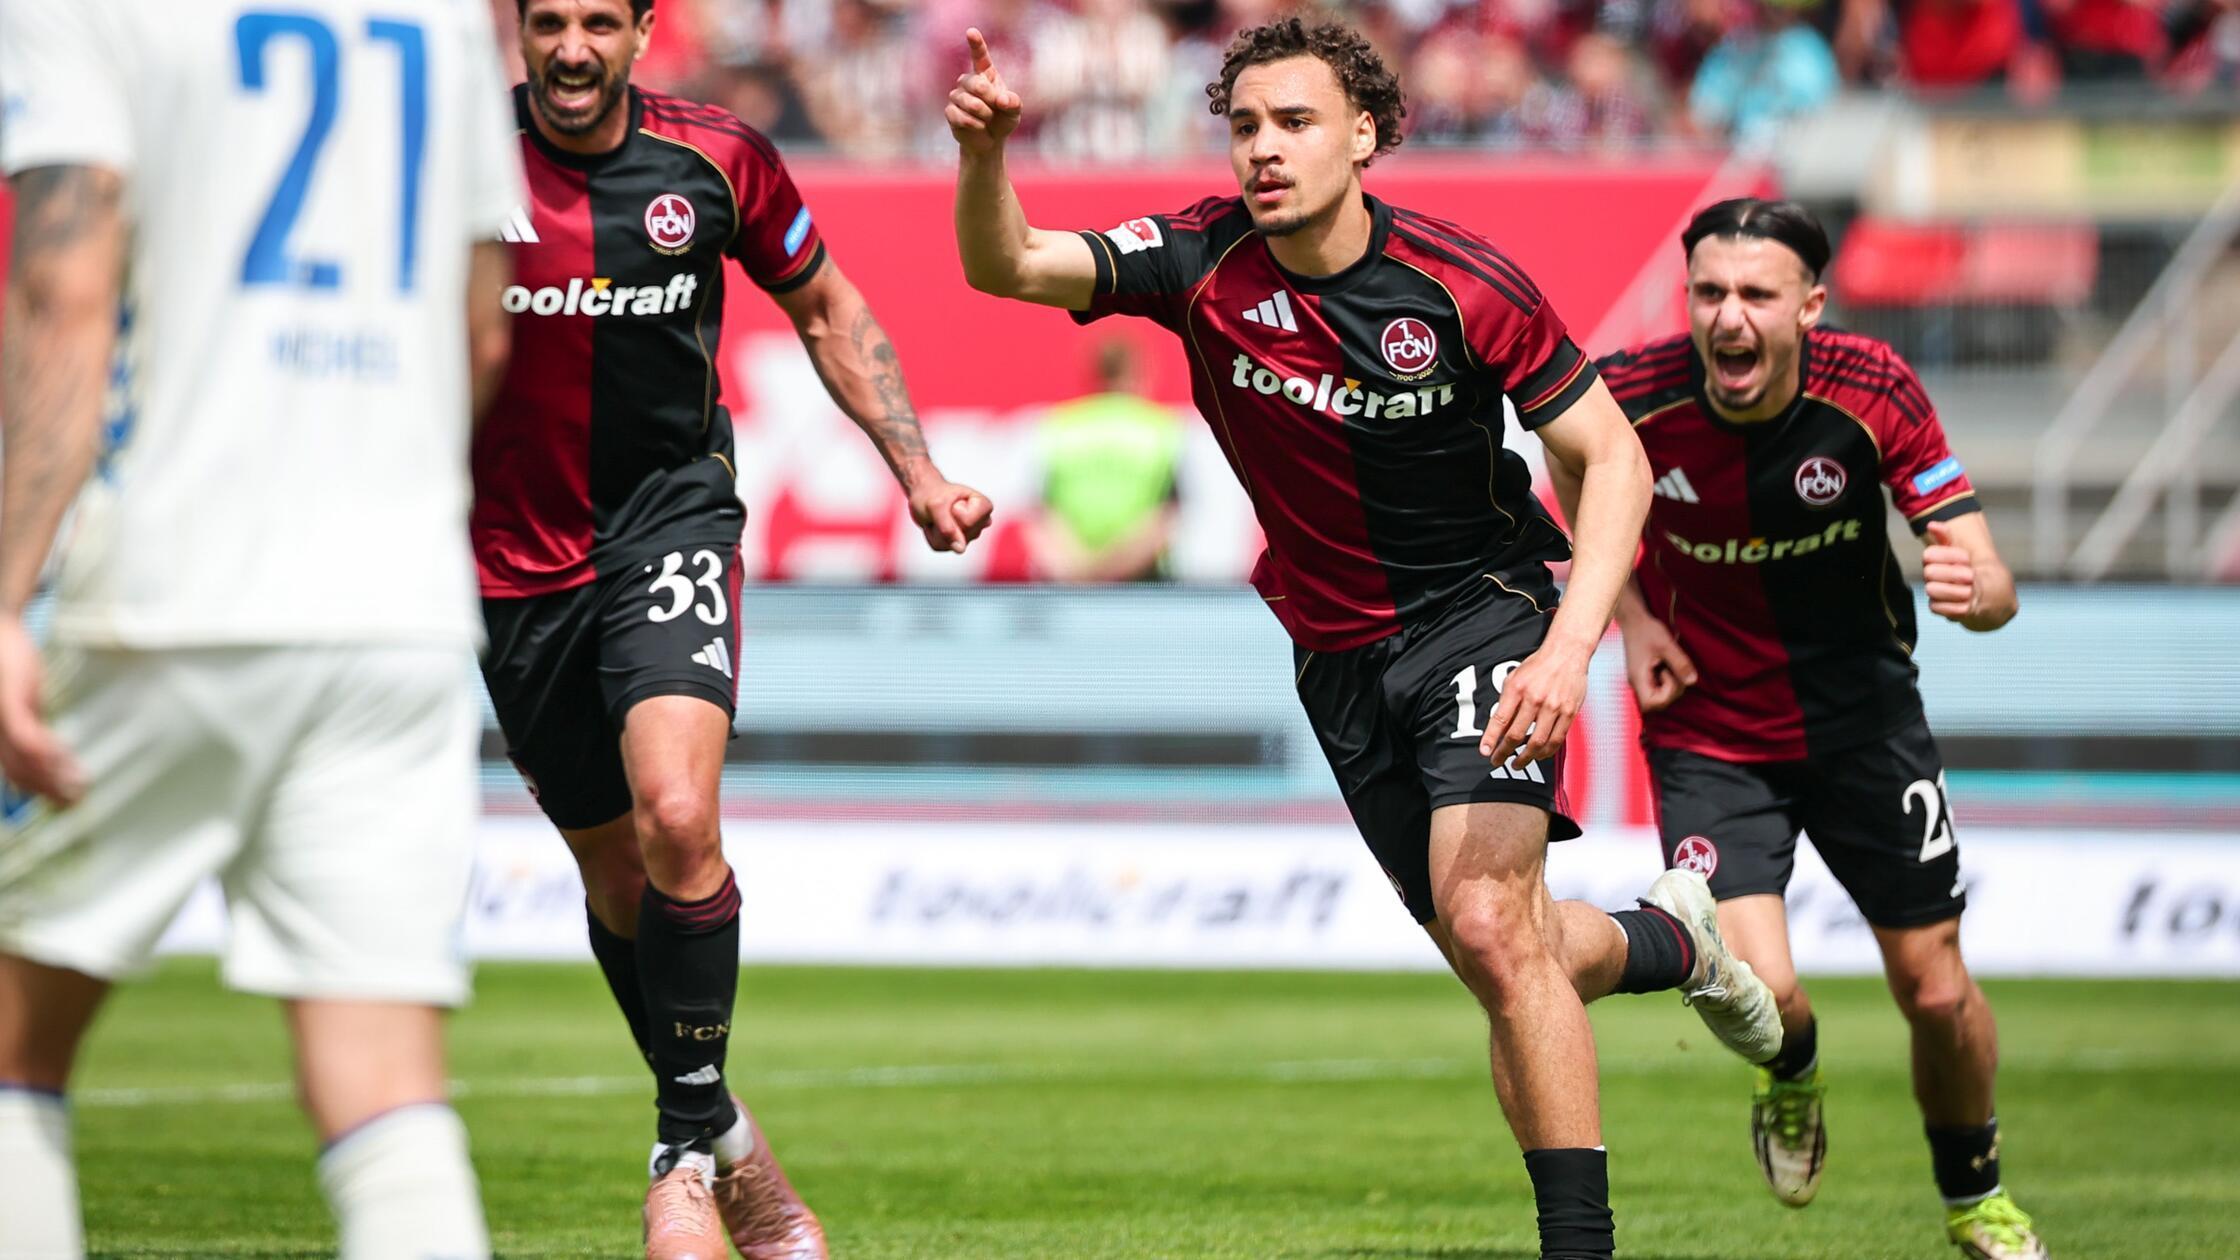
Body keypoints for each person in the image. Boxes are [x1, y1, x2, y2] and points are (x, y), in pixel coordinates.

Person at [947, 18, 1782, 1260]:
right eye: (1244, 125)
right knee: (1508, 951)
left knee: (1492, 927)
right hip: (1335, 657)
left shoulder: (1462, 286)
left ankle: (1579, 1244)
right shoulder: (1195, 260)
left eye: (1293, 123)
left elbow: (1609, 456)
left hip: (1481, 614)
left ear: (1364, 136)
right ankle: (1674, 941)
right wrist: (984, 154)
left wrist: (1568, 648)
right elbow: (1007, 263)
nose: (1263, 149)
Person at [0, 1, 521, 1255]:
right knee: (386, 1087)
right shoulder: (446, 18)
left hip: (175, 590)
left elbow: (65, 289)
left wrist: (6, 596)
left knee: (14, 1044)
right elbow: (483, 328)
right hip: (397, 612)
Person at [482, 2, 992, 1255]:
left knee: (676, 816)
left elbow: (825, 307)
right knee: (617, 879)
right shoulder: (457, 165)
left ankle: (678, 1153)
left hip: (668, 529)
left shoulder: (716, 157)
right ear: (518, 31)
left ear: (642, 31)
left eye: (598, 21)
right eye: (548, 21)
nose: (571, 47)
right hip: (510, 567)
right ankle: (731, 1146)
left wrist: (918, 473)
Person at [1598, 198, 2044, 1260]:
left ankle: (1976, 1200)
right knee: (1763, 993)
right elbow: (1572, 481)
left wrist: (1977, 593)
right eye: (1709, 292)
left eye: (1756, 294)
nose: (1729, 316)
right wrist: (1634, 617)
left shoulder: (1871, 388)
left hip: (1866, 729)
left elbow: (1988, 579)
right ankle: (1789, 1069)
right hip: (1708, 734)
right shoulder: (1630, 396)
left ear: (1809, 306)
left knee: (1934, 989)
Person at [1028, 340, 1183, 583]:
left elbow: (1042, 514)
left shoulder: (1062, 424)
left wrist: (1079, 570)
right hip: (1141, 584)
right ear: (1139, 372)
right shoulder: (1161, 428)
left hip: (1073, 581)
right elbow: (1165, 517)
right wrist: (1112, 569)